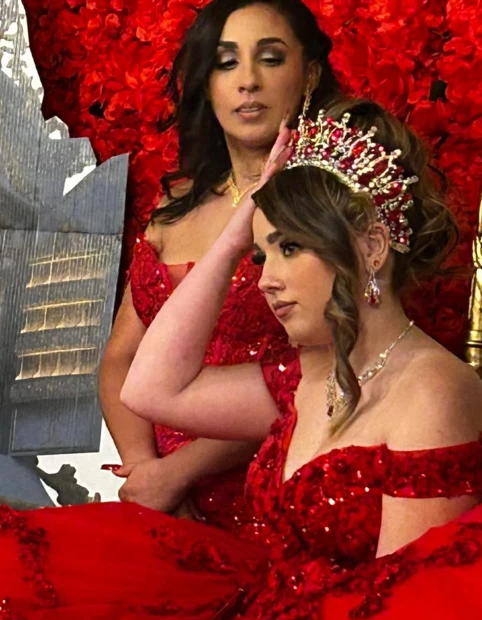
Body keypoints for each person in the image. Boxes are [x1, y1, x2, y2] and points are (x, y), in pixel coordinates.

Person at [66, 104, 482, 620]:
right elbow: (154, 387)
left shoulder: (432, 391)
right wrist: (239, 223)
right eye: (261, 252)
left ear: (370, 246)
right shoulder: (309, 376)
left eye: (288, 249)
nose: (266, 278)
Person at [98, 0, 343, 526]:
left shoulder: (327, 206)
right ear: (206, 83)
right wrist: (146, 472)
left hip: (271, 489)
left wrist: (181, 471)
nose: (247, 81)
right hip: (157, 496)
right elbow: (121, 355)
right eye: (227, 62)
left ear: (310, 74)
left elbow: (318, 378)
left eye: (271, 59)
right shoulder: (175, 203)